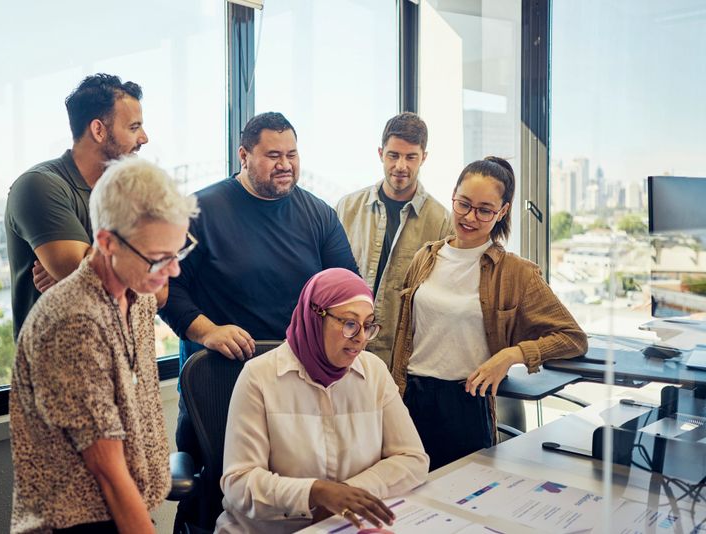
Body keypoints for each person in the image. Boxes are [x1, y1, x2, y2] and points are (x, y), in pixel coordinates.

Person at [158, 111, 359, 532]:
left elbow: (348, 290)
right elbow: (164, 288)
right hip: (220, 380)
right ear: (244, 155)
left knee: (289, 494)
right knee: (218, 499)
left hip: (297, 382)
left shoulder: (319, 214)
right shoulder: (198, 212)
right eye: (272, 155)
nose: (285, 164)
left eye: (292, 154)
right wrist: (206, 331)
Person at [9, 158, 198, 533]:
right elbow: (107, 472)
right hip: (78, 522)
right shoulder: (72, 323)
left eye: (178, 253)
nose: (172, 271)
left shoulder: (138, 296)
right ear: (107, 242)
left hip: (125, 510)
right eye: (158, 259)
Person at [391, 156, 587, 471]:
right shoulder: (424, 257)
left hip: (466, 403)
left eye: (484, 210)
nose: (470, 217)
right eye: (463, 204)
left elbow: (572, 338)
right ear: (452, 197)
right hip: (410, 399)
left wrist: (511, 355)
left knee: (464, 504)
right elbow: (405, 337)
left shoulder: (515, 272)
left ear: (502, 212)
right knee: (407, 501)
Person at [216, 268, 429, 534]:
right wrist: (313, 494)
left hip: (344, 526)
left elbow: (413, 459)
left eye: (368, 325)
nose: (361, 338)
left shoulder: (373, 370)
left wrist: (347, 494)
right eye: (350, 323)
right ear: (314, 318)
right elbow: (239, 484)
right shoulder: (259, 376)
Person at [5, 73, 148, 339]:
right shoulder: (38, 186)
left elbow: (161, 291)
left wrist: (84, 272)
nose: (144, 138)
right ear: (98, 130)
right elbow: (97, 279)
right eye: (133, 127)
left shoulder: (126, 194)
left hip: (117, 362)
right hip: (57, 367)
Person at [336, 112, 451, 363]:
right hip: (344, 346)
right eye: (393, 155)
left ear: (424, 158)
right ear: (380, 154)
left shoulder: (442, 221)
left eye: (411, 157)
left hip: (403, 357)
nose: (401, 166)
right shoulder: (347, 208)